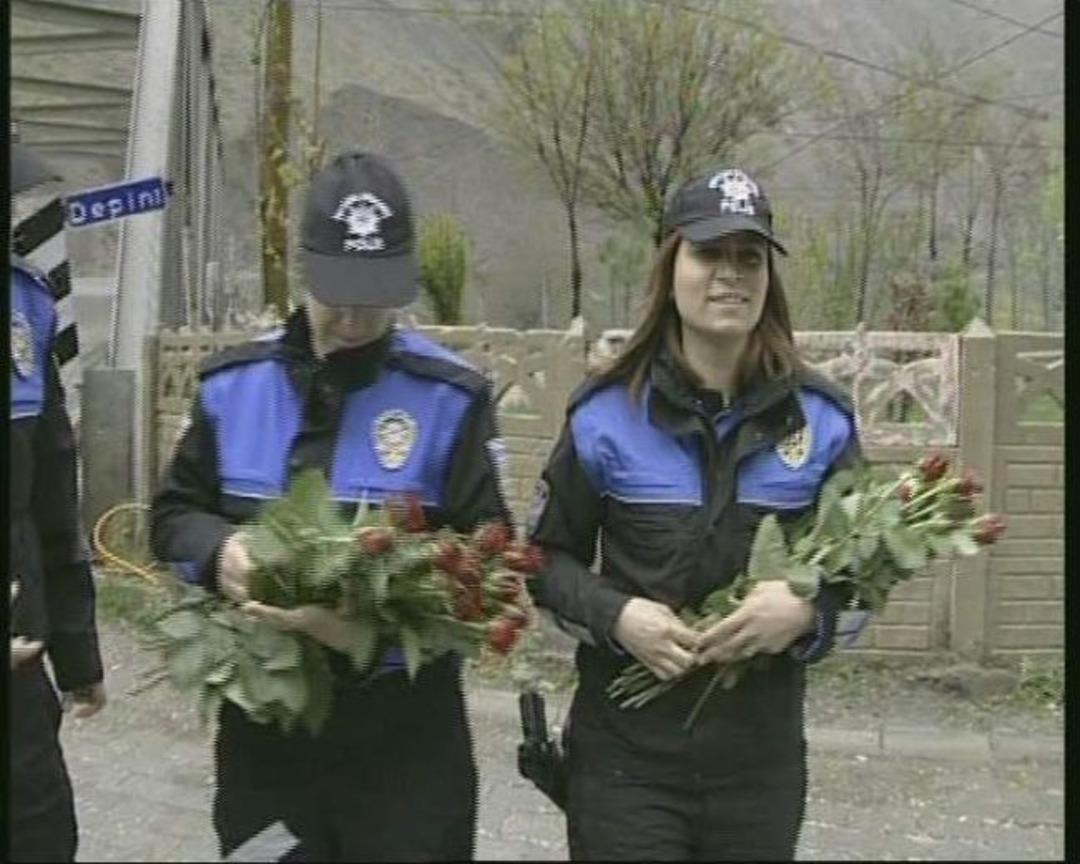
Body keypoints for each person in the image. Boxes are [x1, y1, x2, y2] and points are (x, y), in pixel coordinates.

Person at [150, 151, 512, 861]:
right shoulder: (231, 386)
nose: (353, 317)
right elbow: (172, 517)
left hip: (407, 750)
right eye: (338, 293)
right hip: (267, 744)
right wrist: (219, 552)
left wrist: (367, 637)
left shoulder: (450, 397)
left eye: (374, 297)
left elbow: (490, 571)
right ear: (304, 267)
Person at [527, 166, 864, 861]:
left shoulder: (824, 421)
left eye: (750, 257)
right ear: (670, 266)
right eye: (709, 253)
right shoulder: (606, 415)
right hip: (626, 764)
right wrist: (618, 616)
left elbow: (865, 574)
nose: (730, 274)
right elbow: (543, 562)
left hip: (759, 768)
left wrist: (807, 611)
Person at [9, 144, 107, 863]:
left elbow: (50, 496)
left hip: (19, 667)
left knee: (42, 835)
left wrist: (77, 651)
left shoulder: (26, 307)